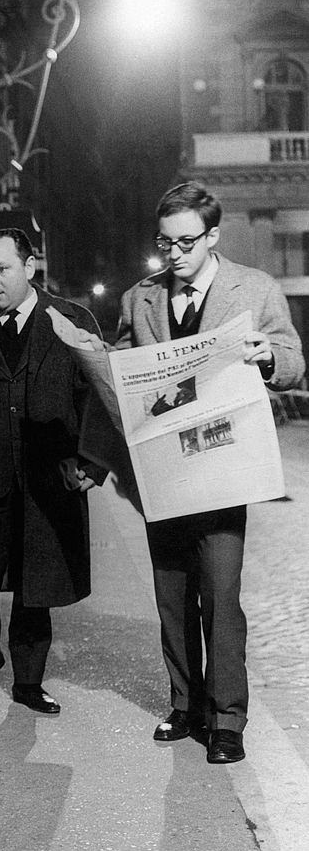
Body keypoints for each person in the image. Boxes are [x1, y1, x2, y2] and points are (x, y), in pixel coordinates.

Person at [116, 180, 305, 764]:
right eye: (163, 242)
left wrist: (267, 356)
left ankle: (226, 719)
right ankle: (185, 704)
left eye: (185, 242)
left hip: (226, 469)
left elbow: (293, 362)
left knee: (221, 598)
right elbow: (123, 373)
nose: (172, 253)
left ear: (213, 236)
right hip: (164, 474)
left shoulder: (256, 288)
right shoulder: (137, 300)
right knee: (172, 594)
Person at [0, 228, 104, 713]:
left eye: (2, 269)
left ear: (30, 268)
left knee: (37, 580)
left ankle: (29, 680)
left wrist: (93, 462)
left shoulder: (72, 321)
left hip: (45, 477)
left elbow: (96, 397)